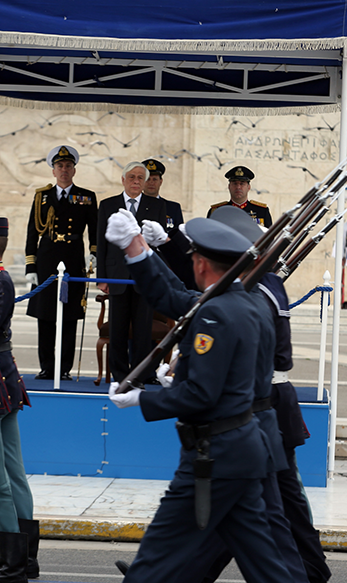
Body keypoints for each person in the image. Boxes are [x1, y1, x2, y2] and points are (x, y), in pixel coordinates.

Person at [105, 211, 293, 583]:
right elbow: (174, 297)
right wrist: (137, 249)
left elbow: (201, 395)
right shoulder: (250, 303)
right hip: (243, 448)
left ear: (202, 264)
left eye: (192, 259)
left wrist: (143, 399)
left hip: (214, 455)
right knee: (268, 567)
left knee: (155, 559)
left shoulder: (215, 314)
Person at [0, 216, 40, 579]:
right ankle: (27, 558)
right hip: (5, 372)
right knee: (13, 470)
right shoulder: (2, 277)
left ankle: (12, 562)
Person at [25, 145, 98, 380]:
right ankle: (47, 367)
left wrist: (94, 253)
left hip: (73, 260)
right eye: (60, 166)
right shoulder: (42, 197)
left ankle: (64, 368)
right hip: (47, 260)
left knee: (69, 315)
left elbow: (94, 230)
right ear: (53, 170)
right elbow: (32, 232)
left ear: (74, 170)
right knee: (45, 315)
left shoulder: (86, 197)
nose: (64, 170)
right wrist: (30, 265)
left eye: (68, 166)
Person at [97, 162, 167, 384]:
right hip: (116, 275)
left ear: (145, 182)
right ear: (123, 180)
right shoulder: (108, 205)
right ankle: (119, 376)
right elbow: (101, 243)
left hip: (144, 277)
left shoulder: (156, 206)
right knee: (117, 329)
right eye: (132, 177)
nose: (136, 181)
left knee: (142, 331)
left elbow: (158, 245)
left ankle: (139, 375)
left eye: (140, 178)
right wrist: (102, 278)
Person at [142, 158, 195, 289]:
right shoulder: (134, 206)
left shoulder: (173, 208)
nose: (151, 183)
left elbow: (178, 239)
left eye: (155, 179)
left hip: (166, 264)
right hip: (141, 262)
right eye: (148, 179)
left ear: (161, 181)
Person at [206, 166, 272, 227]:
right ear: (229, 187)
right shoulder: (217, 211)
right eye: (234, 183)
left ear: (249, 187)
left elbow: (270, 234)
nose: (238, 187)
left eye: (242, 184)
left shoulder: (261, 211)